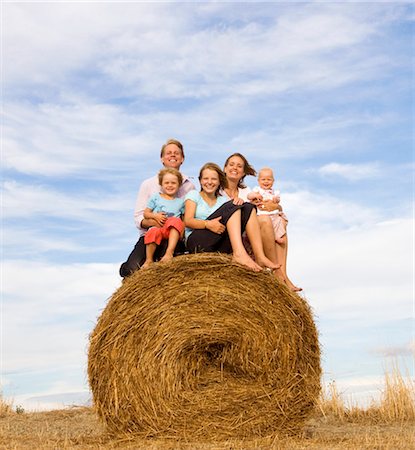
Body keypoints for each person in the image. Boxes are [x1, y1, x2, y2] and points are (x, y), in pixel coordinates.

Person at [223, 153, 301, 291]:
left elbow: (261, 207)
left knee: (276, 219)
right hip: (230, 236)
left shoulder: (246, 190)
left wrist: (277, 207)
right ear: (224, 168)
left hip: (250, 232)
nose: (235, 168)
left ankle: (282, 273)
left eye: (239, 166)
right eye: (232, 164)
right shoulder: (217, 188)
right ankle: (278, 273)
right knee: (265, 220)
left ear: (243, 172)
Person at [119, 139, 195, 277]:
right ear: (162, 158)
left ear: (182, 159)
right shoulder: (148, 184)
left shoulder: (189, 187)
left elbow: (189, 216)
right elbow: (139, 217)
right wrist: (155, 221)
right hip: (151, 232)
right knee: (131, 269)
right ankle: (131, 264)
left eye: (177, 153)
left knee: (169, 266)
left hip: (174, 235)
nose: (173, 155)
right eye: (168, 153)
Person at [184, 162, 278, 272]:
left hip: (218, 246)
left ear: (219, 181)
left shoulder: (222, 200)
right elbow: (188, 221)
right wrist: (207, 224)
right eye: (205, 179)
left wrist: (238, 203)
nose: (209, 182)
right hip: (197, 242)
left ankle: (260, 256)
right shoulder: (194, 195)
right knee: (233, 205)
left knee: (247, 206)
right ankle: (239, 253)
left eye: (214, 179)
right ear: (200, 180)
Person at [141, 168, 185, 269]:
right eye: (167, 183)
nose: (170, 185)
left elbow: (183, 219)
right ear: (161, 184)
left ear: (179, 185)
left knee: (176, 221)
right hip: (158, 227)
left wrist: (183, 232)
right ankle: (149, 259)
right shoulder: (156, 197)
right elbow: (146, 213)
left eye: (173, 183)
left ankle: (169, 252)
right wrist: (155, 216)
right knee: (153, 232)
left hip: (171, 231)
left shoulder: (181, 202)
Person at [247, 167, 288, 244]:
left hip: (272, 213)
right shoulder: (257, 190)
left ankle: (276, 235)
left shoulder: (274, 192)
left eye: (269, 179)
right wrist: (255, 195)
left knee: (279, 221)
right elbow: (249, 196)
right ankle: (274, 236)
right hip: (261, 213)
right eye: (263, 179)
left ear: (273, 181)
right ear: (258, 181)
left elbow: (278, 200)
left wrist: (276, 199)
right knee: (267, 222)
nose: (266, 182)